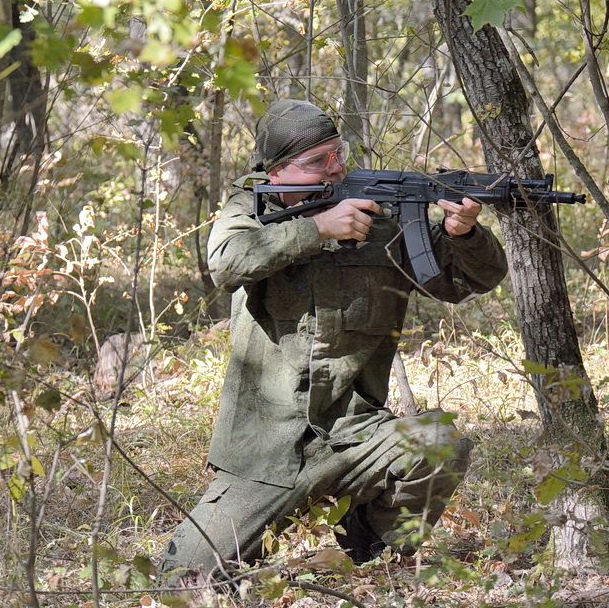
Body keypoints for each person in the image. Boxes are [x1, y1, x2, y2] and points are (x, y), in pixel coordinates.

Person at [159, 99, 508, 578]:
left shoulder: (382, 216)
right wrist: (318, 228)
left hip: (356, 436)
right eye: (317, 162)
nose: (335, 168)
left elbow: (467, 282)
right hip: (267, 451)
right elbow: (226, 261)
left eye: (337, 154)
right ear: (276, 173)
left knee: (439, 443)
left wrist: (463, 234)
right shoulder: (249, 209)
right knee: (181, 580)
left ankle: (374, 556)